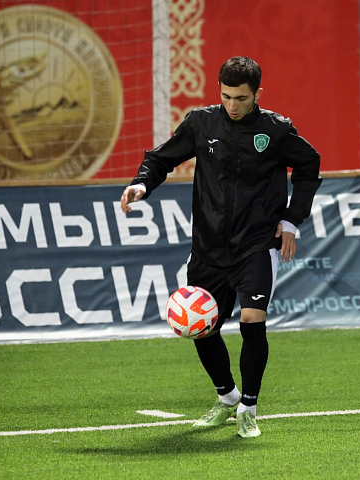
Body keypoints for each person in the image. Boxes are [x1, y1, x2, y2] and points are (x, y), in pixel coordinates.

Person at [121, 56, 321, 437]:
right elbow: (161, 158)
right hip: (208, 247)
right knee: (201, 327)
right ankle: (227, 397)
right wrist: (141, 184)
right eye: (226, 96)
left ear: (257, 94)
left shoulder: (276, 130)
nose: (232, 105)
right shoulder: (201, 123)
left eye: (241, 98)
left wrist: (292, 220)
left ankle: (249, 408)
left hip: (256, 245)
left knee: (252, 319)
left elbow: (310, 165)